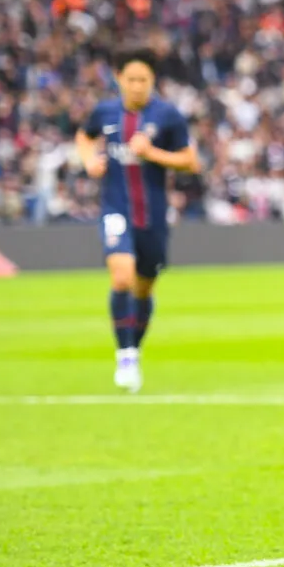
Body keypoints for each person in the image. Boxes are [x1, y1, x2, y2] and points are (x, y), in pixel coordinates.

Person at [76, 48, 200, 393]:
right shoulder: (104, 112)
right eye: (130, 79)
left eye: (143, 80)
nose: (136, 86)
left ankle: (134, 347)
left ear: (152, 81)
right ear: (119, 79)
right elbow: (84, 137)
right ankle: (126, 355)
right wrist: (89, 161)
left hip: (154, 217)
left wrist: (153, 153)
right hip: (116, 209)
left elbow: (191, 162)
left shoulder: (168, 115)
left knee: (144, 288)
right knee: (121, 277)